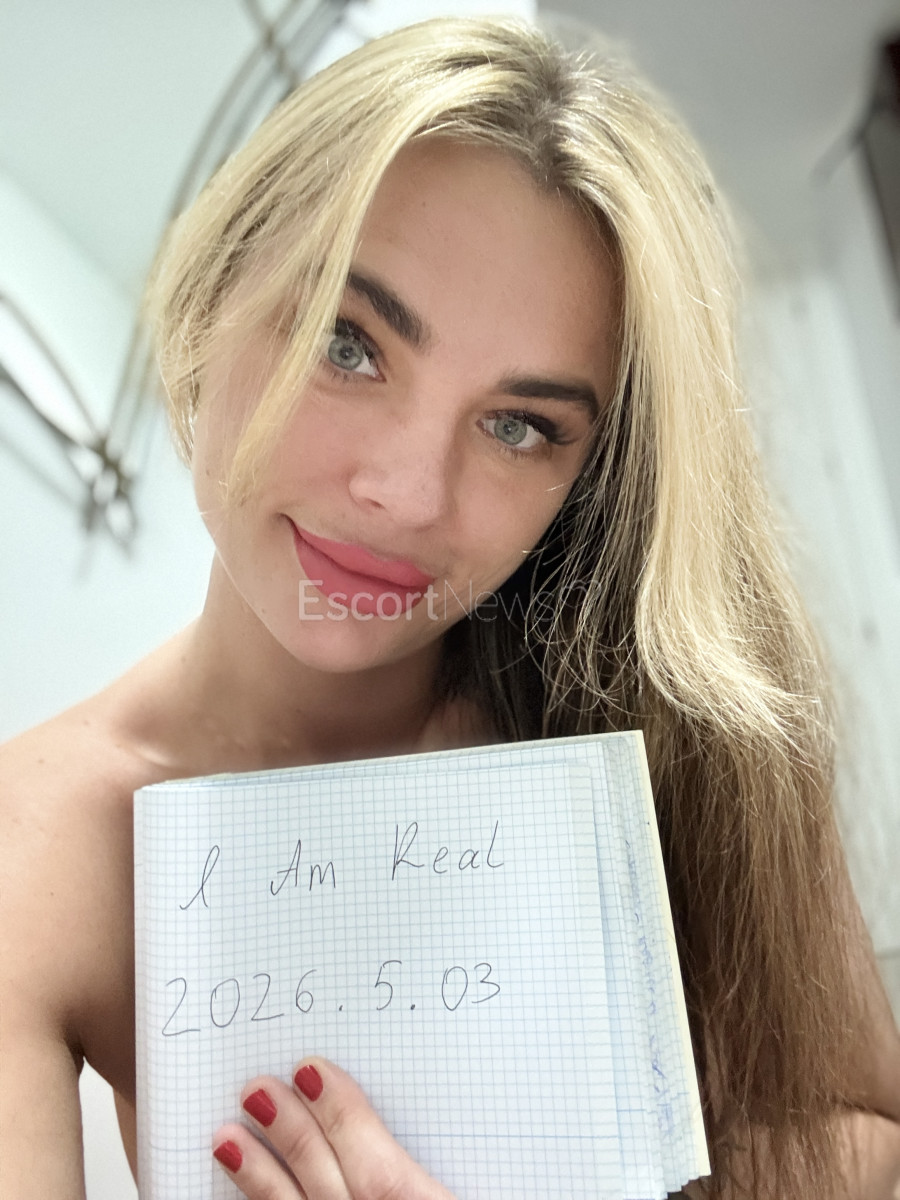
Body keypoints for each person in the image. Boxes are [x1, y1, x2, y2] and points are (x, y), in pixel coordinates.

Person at [1, 14, 898, 1200]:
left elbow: (871, 1138)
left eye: (519, 426)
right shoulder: (36, 851)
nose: (409, 496)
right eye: (348, 344)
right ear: (215, 292)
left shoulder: (690, 722)